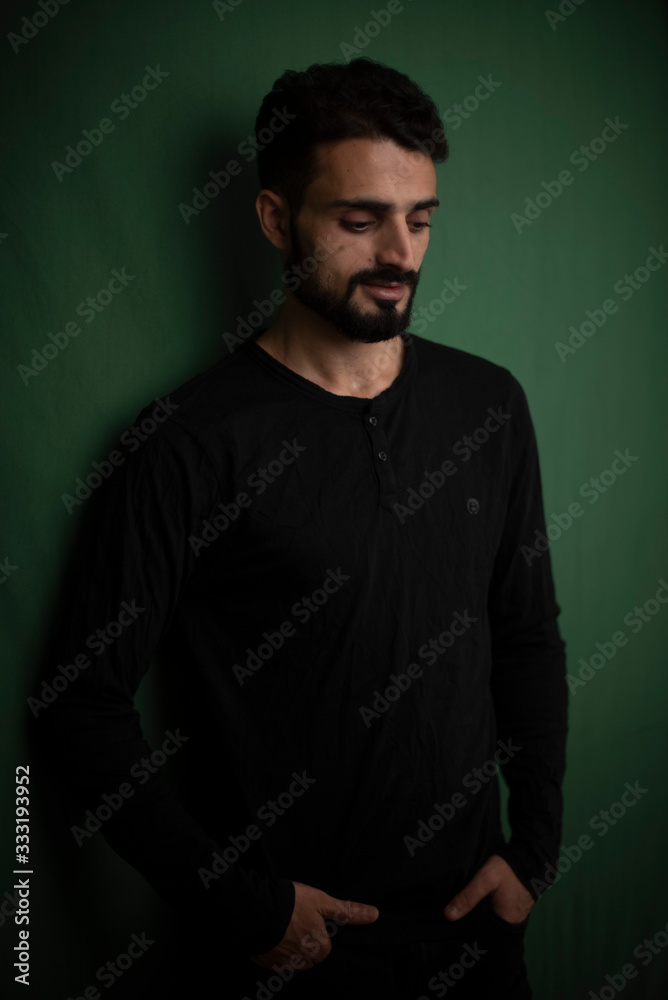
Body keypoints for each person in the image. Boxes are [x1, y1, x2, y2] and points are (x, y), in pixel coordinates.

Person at [34, 58, 568, 999]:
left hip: (474, 935)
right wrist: (239, 904)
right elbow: (80, 706)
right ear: (277, 221)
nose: (400, 252)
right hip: (287, 951)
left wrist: (534, 852)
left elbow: (523, 634)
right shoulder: (189, 445)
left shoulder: (489, 404)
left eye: (421, 218)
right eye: (358, 222)